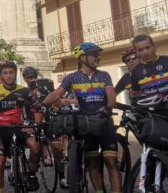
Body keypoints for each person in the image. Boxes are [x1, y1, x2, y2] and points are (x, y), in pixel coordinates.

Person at [43, 42, 122, 193]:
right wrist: (42, 104)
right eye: (94, 54)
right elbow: (56, 94)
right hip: (86, 124)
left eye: (98, 54)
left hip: (104, 122)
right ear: (82, 58)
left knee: (111, 161)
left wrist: (108, 107)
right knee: (93, 163)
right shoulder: (72, 78)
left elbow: (112, 97)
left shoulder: (104, 75)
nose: (98, 57)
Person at [0, 61, 41, 193]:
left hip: (19, 127)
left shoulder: (24, 91)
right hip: (1, 129)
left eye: (11, 72)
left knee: (35, 147)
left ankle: (32, 175)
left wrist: (36, 125)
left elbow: (36, 107)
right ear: (1, 75)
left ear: (15, 74)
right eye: (5, 73)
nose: (9, 76)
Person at [130, 34, 168, 118]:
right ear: (136, 52)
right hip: (156, 118)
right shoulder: (135, 71)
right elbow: (135, 97)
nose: (145, 52)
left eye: (147, 47)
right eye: (140, 50)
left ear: (154, 46)